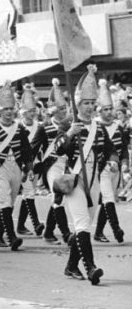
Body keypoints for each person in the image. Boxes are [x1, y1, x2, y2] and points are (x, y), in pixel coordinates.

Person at [54, 64, 116, 285]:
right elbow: (57, 148)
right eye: (86, 103)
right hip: (75, 180)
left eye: (92, 103)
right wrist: (70, 133)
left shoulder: (99, 128)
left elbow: (110, 150)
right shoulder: (68, 125)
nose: (90, 107)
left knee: (86, 226)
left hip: (95, 180)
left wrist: (114, 162)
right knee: (81, 224)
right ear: (77, 104)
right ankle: (90, 268)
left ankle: (71, 267)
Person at [0, 80, 33, 251]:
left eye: (11, 109)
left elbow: (26, 151)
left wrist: (28, 168)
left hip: (15, 168)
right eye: (5, 109)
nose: (8, 112)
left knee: (10, 201)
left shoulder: (19, 129)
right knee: (4, 201)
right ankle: (12, 237)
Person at [31, 78, 72, 245]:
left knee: (57, 200)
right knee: (58, 196)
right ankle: (66, 234)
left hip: (68, 165)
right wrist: (28, 167)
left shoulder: (71, 125)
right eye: (60, 109)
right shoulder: (45, 127)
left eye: (65, 108)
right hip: (51, 166)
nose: (63, 111)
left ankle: (48, 232)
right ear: (53, 111)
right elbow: (33, 148)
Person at [94, 79, 126, 244]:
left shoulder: (119, 127)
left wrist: (125, 162)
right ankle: (116, 229)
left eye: (110, 109)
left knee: (109, 200)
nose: (108, 112)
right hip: (101, 168)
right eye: (105, 109)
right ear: (99, 111)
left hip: (116, 167)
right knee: (108, 198)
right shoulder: (96, 127)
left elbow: (124, 146)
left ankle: (99, 232)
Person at [16, 84, 45, 236]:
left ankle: (20, 225)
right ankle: (36, 223)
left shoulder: (39, 126)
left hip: (35, 165)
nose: (32, 114)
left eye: (34, 111)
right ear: (23, 112)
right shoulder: (17, 126)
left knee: (29, 192)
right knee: (29, 193)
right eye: (29, 111)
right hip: (20, 165)